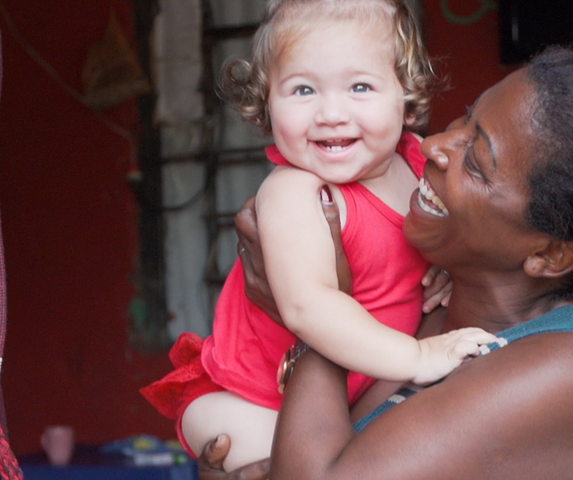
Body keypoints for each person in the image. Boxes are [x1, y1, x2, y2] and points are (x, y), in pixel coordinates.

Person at [197, 46, 573, 480]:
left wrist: (313, 311)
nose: (433, 146)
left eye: (475, 164)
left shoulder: (567, 371)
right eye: (466, 117)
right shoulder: (428, 313)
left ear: (549, 255)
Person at [140, 0, 497, 472]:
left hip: (355, 393)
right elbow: (308, 306)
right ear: (266, 102)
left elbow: (448, 243)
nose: (331, 112)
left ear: (405, 96)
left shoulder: (417, 167)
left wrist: (447, 270)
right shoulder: (294, 192)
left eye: (360, 87)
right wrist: (416, 357)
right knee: (300, 464)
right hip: (254, 398)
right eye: (303, 89)